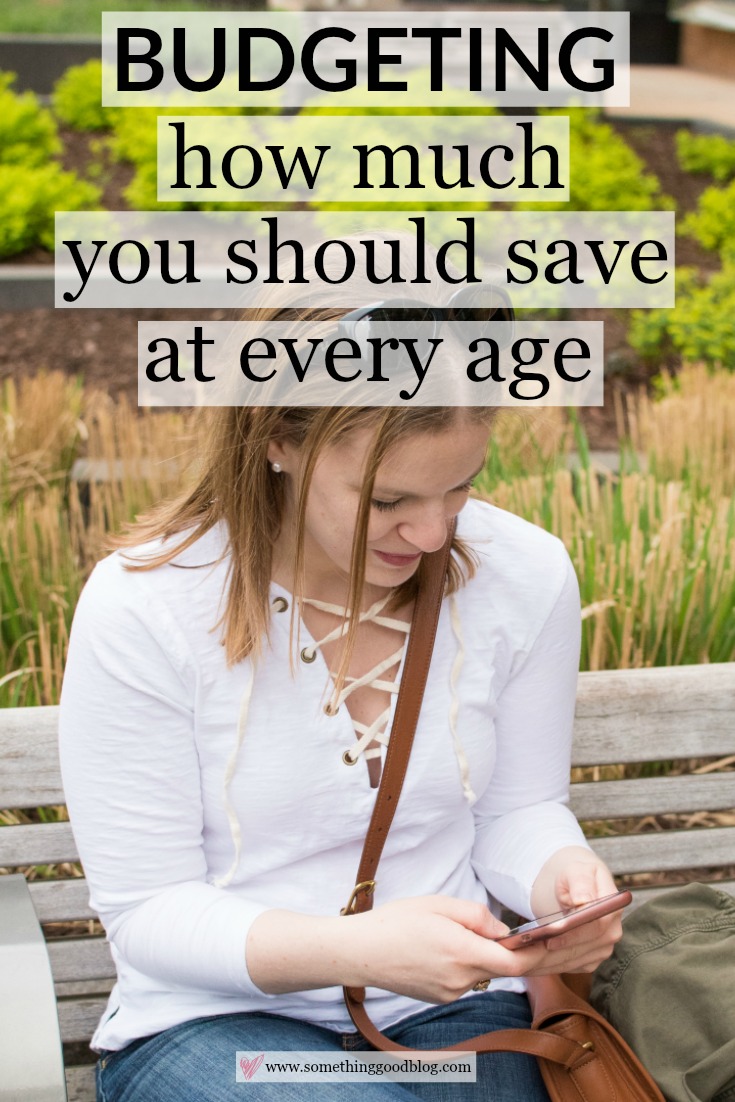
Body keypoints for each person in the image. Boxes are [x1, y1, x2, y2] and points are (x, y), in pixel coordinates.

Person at [59, 254, 622, 1102]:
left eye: (460, 488)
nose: (432, 534)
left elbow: (515, 810)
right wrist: (356, 950)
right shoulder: (149, 606)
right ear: (278, 438)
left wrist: (560, 875)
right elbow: (149, 914)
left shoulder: (525, 573)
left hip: (452, 1011)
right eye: (387, 500)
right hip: (218, 1026)